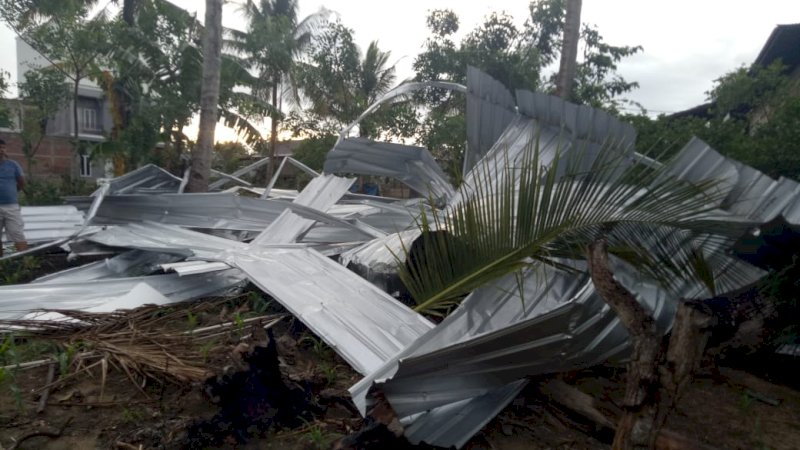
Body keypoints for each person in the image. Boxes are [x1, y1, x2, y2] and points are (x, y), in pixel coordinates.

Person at [0, 138, 28, 256]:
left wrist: (11, 192)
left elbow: (21, 183)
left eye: (3, 148)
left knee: (18, 234)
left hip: (11, 206)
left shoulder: (13, 165)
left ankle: (26, 264)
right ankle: (2, 266)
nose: (1, 150)